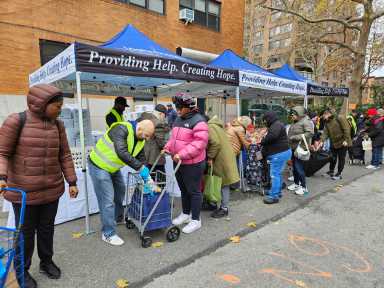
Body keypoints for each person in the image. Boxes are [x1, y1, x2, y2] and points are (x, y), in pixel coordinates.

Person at [0, 84, 79, 288]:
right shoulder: (16, 121)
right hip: (24, 192)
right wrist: (2, 176)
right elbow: (2, 153)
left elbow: (65, 154)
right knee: (25, 233)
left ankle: (46, 261)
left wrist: (72, 181)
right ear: (41, 104)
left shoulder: (58, 125)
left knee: (46, 229)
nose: (60, 109)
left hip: (51, 190)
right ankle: (22, 270)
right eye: (57, 105)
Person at [88, 119, 155, 246]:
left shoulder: (140, 139)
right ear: (140, 128)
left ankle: (117, 218)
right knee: (107, 200)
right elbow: (121, 152)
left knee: (120, 191)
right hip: (99, 165)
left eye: (148, 137)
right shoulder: (121, 129)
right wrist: (140, 168)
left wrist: (147, 177)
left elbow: (140, 158)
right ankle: (108, 233)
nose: (146, 139)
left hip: (112, 167)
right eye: (146, 135)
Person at [164, 94, 208, 234]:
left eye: (180, 107)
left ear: (188, 107)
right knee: (183, 189)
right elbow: (174, 139)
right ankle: (186, 213)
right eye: (177, 107)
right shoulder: (178, 119)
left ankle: (196, 220)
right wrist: (168, 147)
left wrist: (181, 154)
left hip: (193, 163)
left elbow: (199, 144)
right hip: (178, 162)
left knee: (194, 191)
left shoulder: (199, 121)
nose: (177, 110)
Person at [206, 116, 240, 218]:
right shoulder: (218, 126)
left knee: (223, 184)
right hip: (226, 158)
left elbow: (215, 143)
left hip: (222, 159)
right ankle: (213, 203)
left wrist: (210, 156)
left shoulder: (210, 127)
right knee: (220, 183)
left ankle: (224, 208)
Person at [260, 112, 291, 204]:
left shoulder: (276, 125)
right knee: (277, 174)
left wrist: (262, 141)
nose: (265, 122)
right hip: (281, 153)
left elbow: (272, 136)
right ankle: (277, 191)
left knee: (274, 175)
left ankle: (274, 196)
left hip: (279, 154)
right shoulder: (277, 124)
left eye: (265, 120)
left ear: (269, 118)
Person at [287, 106, 314, 195]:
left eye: (294, 114)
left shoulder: (306, 121)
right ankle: (296, 183)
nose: (292, 116)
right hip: (294, 147)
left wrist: (296, 137)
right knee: (295, 168)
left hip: (300, 148)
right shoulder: (297, 121)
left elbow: (310, 133)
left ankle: (303, 187)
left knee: (299, 168)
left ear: (300, 114)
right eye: (292, 114)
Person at [320, 108, 352, 180]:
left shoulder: (340, 118)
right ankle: (331, 171)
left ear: (328, 114)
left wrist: (346, 140)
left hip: (343, 142)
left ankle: (339, 174)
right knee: (332, 157)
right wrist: (322, 140)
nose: (323, 117)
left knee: (341, 158)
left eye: (323, 115)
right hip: (334, 142)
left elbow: (347, 129)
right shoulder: (327, 122)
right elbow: (325, 133)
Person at [137, 104, 169, 174]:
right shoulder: (158, 124)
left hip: (144, 156)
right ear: (161, 114)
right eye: (165, 116)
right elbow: (161, 143)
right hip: (155, 158)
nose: (165, 118)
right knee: (160, 182)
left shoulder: (144, 118)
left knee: (147, 179)